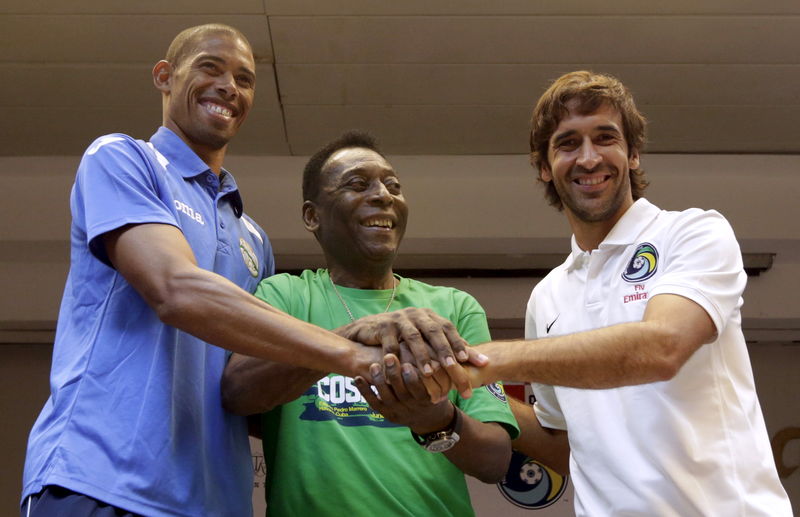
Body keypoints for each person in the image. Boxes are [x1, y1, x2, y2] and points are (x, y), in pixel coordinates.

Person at [20, 25, 480, 517]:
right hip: (101, 481)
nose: (229, 87)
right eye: (210, 68)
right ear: (164, 77)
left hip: (213, 501)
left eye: (244, 78)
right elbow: (175, 290)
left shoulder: (253, 240)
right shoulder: (124, 158)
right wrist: (352, 349)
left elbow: (250, 389)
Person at [467, 71, 792, 516]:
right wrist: (459, 399)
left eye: (605, 138)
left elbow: (662, 347)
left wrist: (484, 362)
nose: (588, 158)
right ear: (544, 166)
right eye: (567, 143)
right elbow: (565, 443)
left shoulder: (692, 232)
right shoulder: (547, 296)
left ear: (633, 153)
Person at [221, 130, 519, 517]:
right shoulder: (284, 297)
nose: (383, 195)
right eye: (358, 185)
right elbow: (237, 393)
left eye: (393, 185)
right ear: (313, 216)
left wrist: (436, 420)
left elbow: (495, 460)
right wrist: (346, 338)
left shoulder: (453, 308)